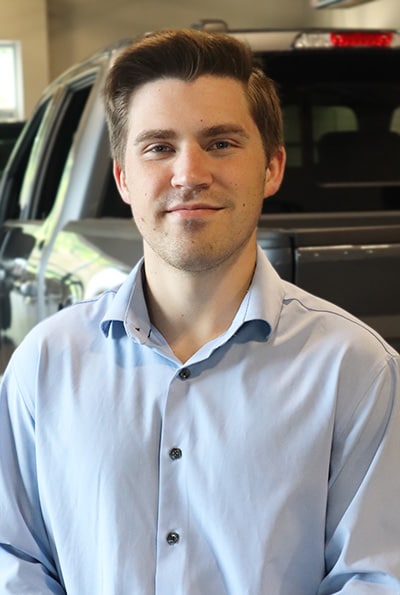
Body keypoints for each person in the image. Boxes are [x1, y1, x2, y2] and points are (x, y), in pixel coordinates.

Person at [0, 28, 399, 595]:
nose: (189, 174)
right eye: (158, 148)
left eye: (221, 143)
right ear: (123, 178)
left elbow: (377, 577)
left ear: (272, 168)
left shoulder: (357, 371)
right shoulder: (46, 362)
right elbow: (12, 556)